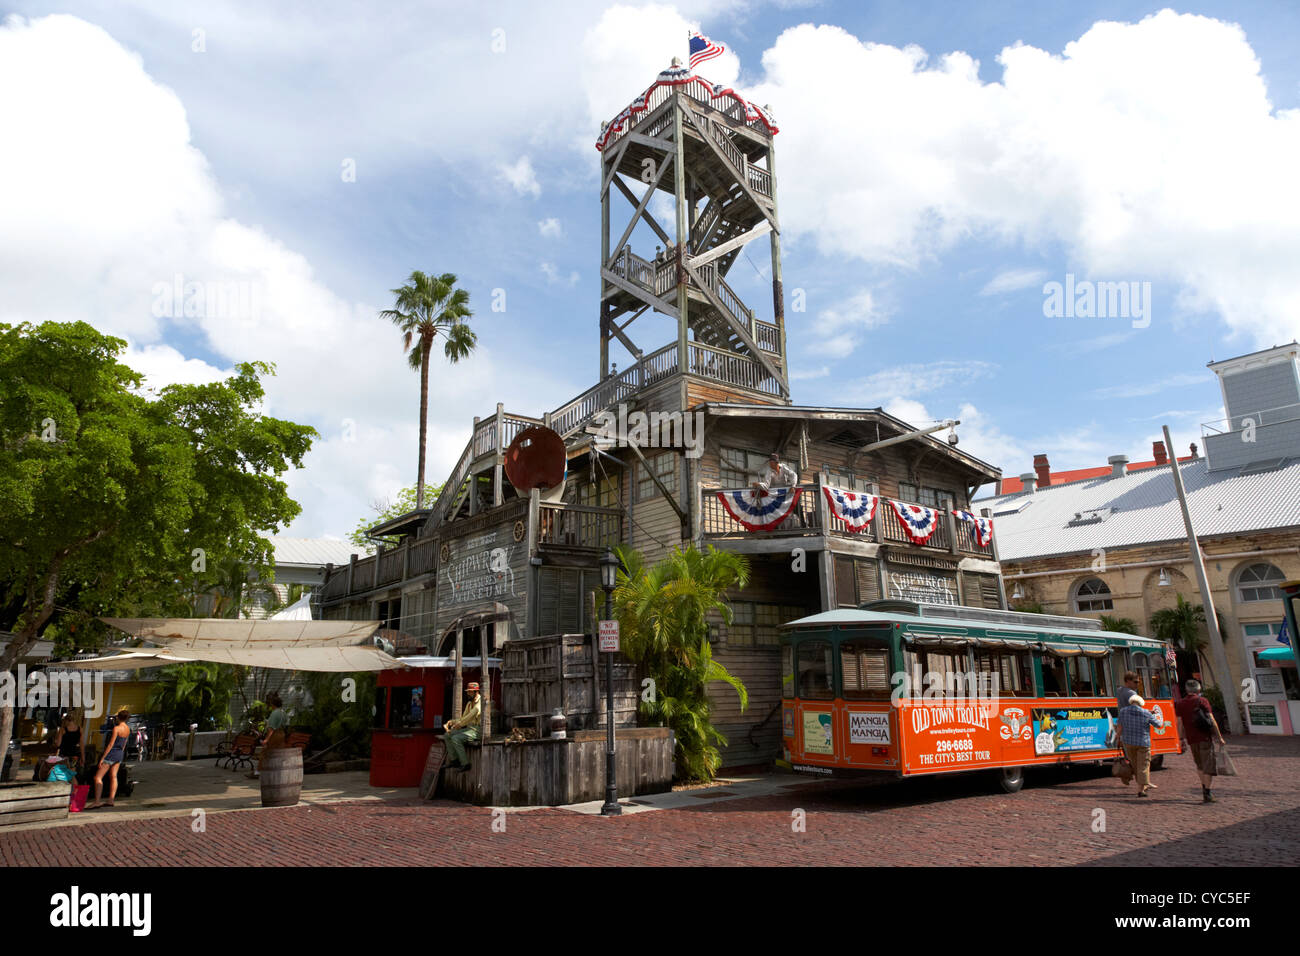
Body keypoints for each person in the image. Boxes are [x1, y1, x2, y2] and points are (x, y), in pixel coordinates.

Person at [1175, 679, 1226, 803]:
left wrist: (1181, 738)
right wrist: (1219, 737)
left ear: (1186, 690)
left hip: (1191, 739)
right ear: (1198, 689)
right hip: (1204, 737)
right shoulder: (1202, 701)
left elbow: (1180, 723)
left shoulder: (1181, 703)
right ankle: (1207, 792)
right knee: (1207, 764)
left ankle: (1204, 787)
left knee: (1199, 765)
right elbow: (1212, 719)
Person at [1118, 699, 1166, 798]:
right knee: (1143, 766)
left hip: (1128, 742)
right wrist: (1153, 715)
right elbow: (1159, 725)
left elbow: (1119, 726)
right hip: (1143, 743)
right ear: (1141, 704)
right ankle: (1141, 790)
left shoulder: (1123, 711)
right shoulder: (1145, 713)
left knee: (1135, 765)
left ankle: (1142, 785)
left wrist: (1118, 738)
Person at [88, 708, 131, 809]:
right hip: (120, 753)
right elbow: (124, 744)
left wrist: (103, 757)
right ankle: (111, 799)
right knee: (113, 776)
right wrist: (120, 752)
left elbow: (110, 744)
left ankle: (97, 801)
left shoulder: (116, 728)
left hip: (112, 754)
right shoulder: (128, 729)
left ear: (119, 717)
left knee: (98, 777)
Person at [249, 691, 288, 780]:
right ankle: (278, 771)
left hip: (275, 735)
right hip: (282, 734)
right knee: (279, 754)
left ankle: (257, 772)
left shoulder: (274, 713)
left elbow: (271, 729)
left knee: (264, 753)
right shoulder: (283, 712)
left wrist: (266, 740)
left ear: (273, 704)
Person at [443, 682, 482, 770]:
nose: (468, 693)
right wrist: (451, 722)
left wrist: (459, 725)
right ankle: (454, 760)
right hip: (470, 728)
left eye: (470, 692)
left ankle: (465, 764)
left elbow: (469, 717)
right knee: (447, 735)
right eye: (468, 692)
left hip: (478, 730)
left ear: (476, 692)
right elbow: (463, 718)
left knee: (456, 738)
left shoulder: (480, 704)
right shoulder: (469, 704)